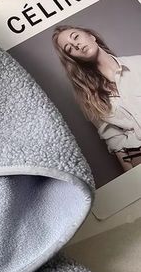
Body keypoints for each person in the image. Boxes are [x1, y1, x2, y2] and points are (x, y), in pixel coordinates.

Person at [52, 24, 141, 171]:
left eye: (76, 37)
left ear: (91, 36)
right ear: (74, 58)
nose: (76, 45)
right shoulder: (88, 96)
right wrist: (130, 176)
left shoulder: (138, 63)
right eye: (69, 49)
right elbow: (114, 139)